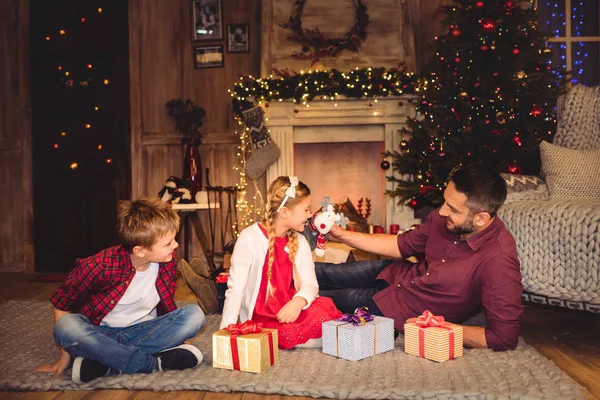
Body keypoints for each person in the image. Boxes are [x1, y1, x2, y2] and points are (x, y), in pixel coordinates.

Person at [315, 163, 523, 351]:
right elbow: (401, 245)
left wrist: (439, 327)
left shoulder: (499, 260)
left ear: (481, 218)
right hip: (394, 274)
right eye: (444, 202)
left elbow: (503, 337)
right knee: (323, 272)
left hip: (398, 310)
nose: (441, 212)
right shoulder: (448, 220)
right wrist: (343, 236)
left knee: (316, 300)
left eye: (452, 209)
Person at [35, 198, 206, 383]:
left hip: (143, 332)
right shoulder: (100, 265)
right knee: (65, 327)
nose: (175, 245)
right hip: (101, 334)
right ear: (140, 251)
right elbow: (62, 303)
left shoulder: (168, 261)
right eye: (168, 243)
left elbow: (165, 304)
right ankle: (151, 364)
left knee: (195, 315)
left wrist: (175, 335)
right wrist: (64, 355)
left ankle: (105, 361)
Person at [220, 176, 342, 349]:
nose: (311, 215)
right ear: (284, 212)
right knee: (289, 335)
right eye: (306, 209)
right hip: (264, 317)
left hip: (290, 309)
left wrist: (298, 302)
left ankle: (335, 336)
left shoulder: (300, 241)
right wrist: (225, 332)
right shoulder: (249, 238)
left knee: (324, 313)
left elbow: (310, 283)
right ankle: (334, 338)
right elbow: (236, 289)